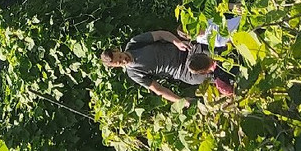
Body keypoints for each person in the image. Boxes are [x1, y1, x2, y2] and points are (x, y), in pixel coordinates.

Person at [100, 30, 235, 103]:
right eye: (118, 63)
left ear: (117, 50)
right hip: (181, 71)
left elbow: (160, 34)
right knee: (215, 76)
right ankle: (236, 80)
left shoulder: (135, 43)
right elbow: (158, 89)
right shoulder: (134, 73)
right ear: (115, 67)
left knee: (218, 54)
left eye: (119, 57)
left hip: (184, 50)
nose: (122, 60)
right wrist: (180, 101)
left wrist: (176, 42)